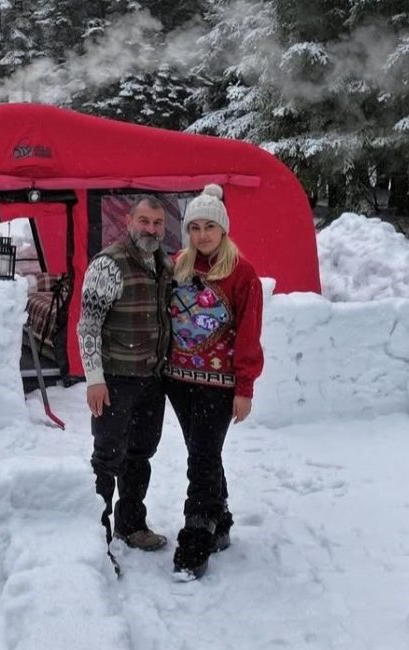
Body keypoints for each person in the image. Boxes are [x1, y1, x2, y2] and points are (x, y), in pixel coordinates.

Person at [165, 184, 264, 579]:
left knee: (202, 457)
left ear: (223, 229)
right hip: (177, 378)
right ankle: (220, 521)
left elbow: (248, 333)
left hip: (218, 383)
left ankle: (196, 536)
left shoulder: (242, 274)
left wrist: (245, 387)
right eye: (195, 227)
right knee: (203, 452)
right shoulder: (179, 265)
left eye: (210, 227)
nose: (202, 235)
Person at [77, 195, 174, 555]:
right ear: (129, 222)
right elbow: (87, 326)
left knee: (140, 455)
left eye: (158, 223)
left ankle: (131, 524)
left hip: (151, 379)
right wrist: (94, 378)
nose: (151, 229)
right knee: (107, 457)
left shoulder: (162, 263)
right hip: (116, 379)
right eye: (144, 221)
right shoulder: (108, 265)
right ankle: (95, 534)